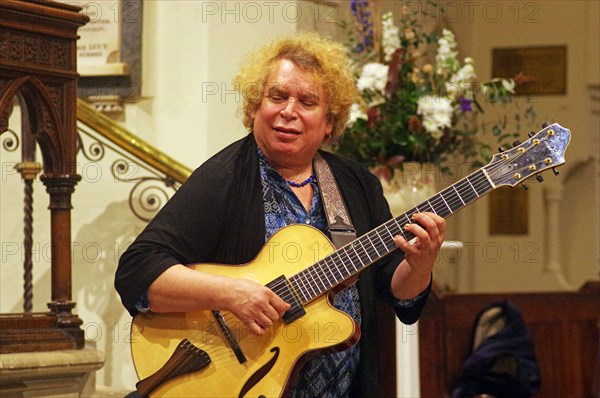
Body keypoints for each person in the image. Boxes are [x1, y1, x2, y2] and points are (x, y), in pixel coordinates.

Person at [115, 32, 445, 398]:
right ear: (255, 106)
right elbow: (137, 271)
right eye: (277, 96)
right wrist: (232, 294)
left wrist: (419, 265)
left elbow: (394, 289)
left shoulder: (356, 183)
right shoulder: (224, 178)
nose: (289, 111)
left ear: (330, 122)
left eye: (307, 101)